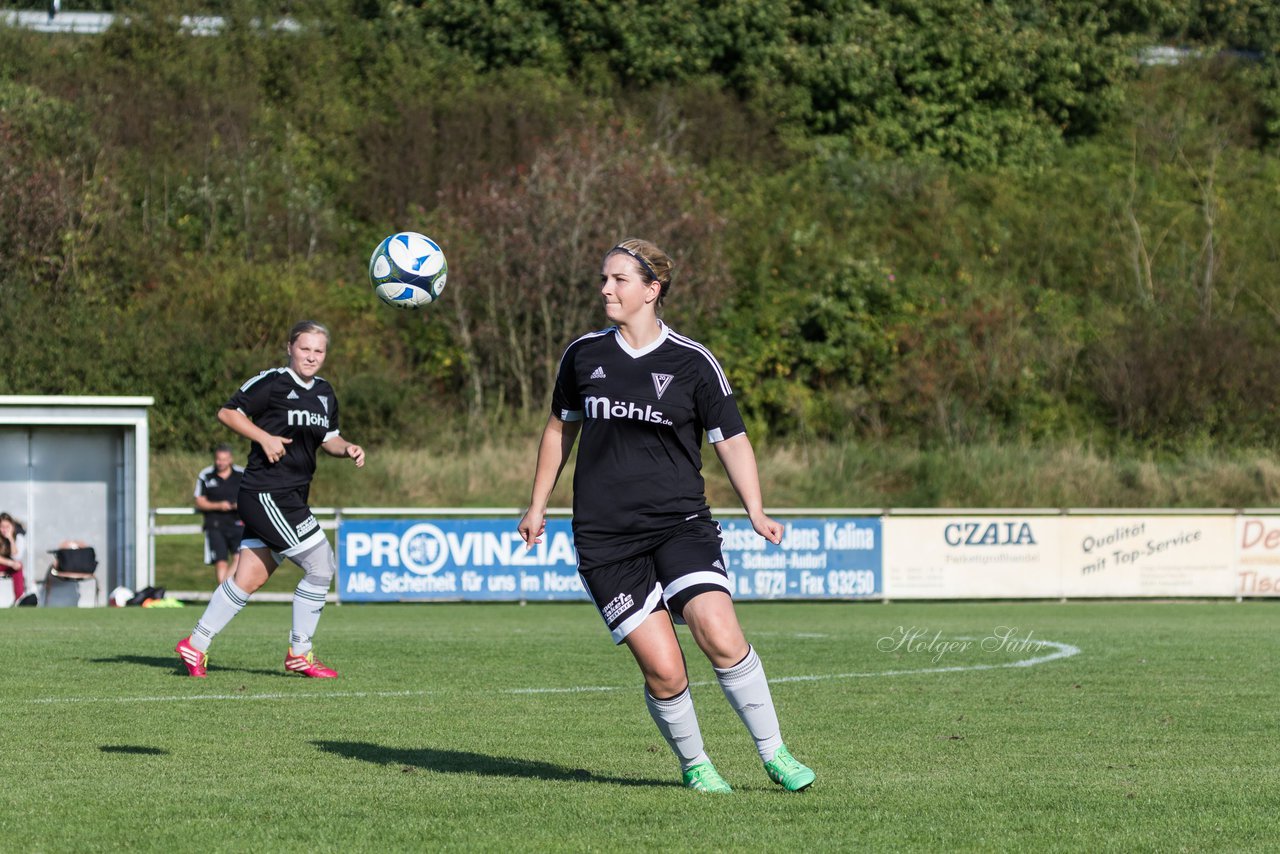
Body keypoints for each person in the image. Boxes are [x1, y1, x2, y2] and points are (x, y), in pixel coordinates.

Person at [517, 238, 815, 793]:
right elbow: (560, 429)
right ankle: (697, 764)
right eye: (604, 279)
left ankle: (774, 752)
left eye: (619, 279)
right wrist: (537, 505)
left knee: (720, 632)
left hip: (680, 524)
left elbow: (731, 437)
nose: (606, 288)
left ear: (652, 290)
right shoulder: (583, 355)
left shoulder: (692, 361)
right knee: (665, 670)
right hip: (606, 539)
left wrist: (757, 509)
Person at [176, 320, 365, 679]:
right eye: (305, 348)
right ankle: (300, 653)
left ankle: (195, 644)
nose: (311, 356)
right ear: (290, 347)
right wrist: (264, 437)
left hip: (290, 495)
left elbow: (329, 438)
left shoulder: (325, 393)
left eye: (319, 350)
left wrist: (348, 448)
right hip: (266, 493)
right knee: (322, 566)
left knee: (247, 579)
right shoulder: (272, 382)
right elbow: (228, 412)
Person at [194, 443, 245, 584]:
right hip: (215, 524)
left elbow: (251, 497)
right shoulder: (206, 475)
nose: (221, 462)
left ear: (230, 459)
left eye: (224, 459)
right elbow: (199, 501)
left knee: (239, 558)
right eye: (218, 459)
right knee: (220, 562)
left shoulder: (242, 474)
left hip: (238, 523)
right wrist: (219, 506)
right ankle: (223, 593)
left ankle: (222, 592)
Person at [0, 513, 27, 602]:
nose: (5, 530)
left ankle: (19, 599)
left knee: (18, 566)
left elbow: (16, 557)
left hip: (8, 565)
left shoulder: (18, 536)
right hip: (4, 564)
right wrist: (10, 563)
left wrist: (11, 539)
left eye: (7, 526)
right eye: (2, 527)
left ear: (12, 526)